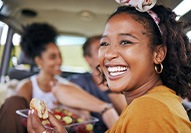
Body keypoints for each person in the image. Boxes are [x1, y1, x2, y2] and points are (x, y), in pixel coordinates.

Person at [27, 0, 191, 132]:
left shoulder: (150, 110)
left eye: (125, 41)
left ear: (158, 54)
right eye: (104, 44)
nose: (109, 54)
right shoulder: (145, 105)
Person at [0, 23, 119, 133]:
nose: (59, 61)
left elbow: (85, 117)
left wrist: (66, 107)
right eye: (53, 57)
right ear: (38, 61)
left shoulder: (67, 86)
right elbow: (20, 116)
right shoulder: (28, 85)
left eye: (60, 56)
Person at [67, 35, 126, 132]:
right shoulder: (80, 81)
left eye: (108, 47)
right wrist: (106, 109)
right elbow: (59, 89)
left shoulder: (124, 82)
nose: (107, 53)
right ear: (88, 59)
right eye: (100, 48)